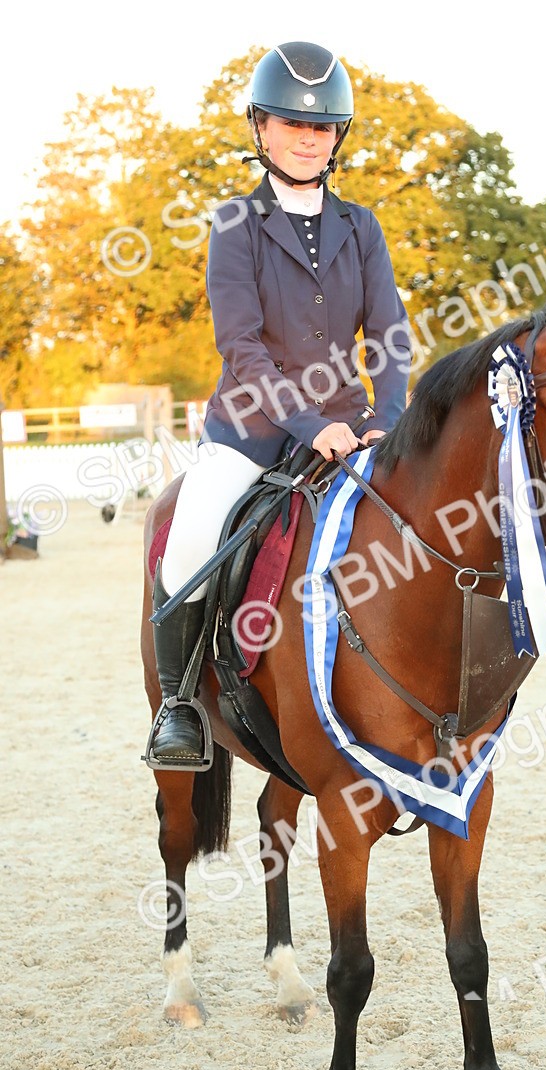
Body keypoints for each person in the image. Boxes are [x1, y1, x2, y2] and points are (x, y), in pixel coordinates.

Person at [147, 40, 411, 769]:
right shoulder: (235, 224)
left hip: (353, 428)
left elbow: (389, 334)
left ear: (337, 136)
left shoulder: (362, 227)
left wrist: (388, 417)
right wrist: (308, 424)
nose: (307, 137)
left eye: (321, 126)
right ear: (260, 128)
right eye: (291, 123)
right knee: (191, 538)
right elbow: (241, 345)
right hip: (252, 430)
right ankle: (179, 707)